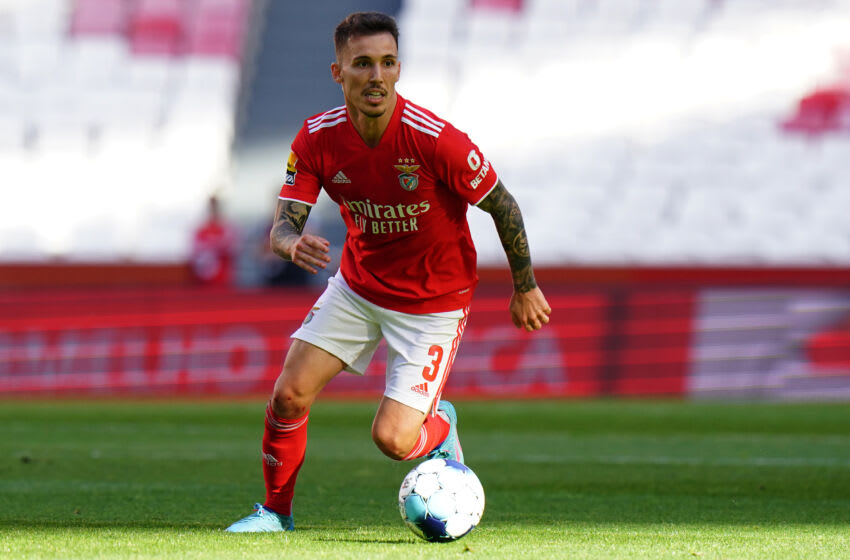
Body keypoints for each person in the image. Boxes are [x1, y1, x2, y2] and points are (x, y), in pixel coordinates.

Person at [226, 12, 551, 533]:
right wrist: (291, 244)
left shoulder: (436, 140)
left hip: (433, 304)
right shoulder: (316, 139)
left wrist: (525, 285)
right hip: (357, 288)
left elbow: (503, 204)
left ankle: (439, 426)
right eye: (362, 64)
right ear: (338, 73)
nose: (376, 76)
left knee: (395, 441)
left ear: (398, 69)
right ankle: (275, 514)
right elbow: (282, 228)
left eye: (387, 63)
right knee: (288, 394)